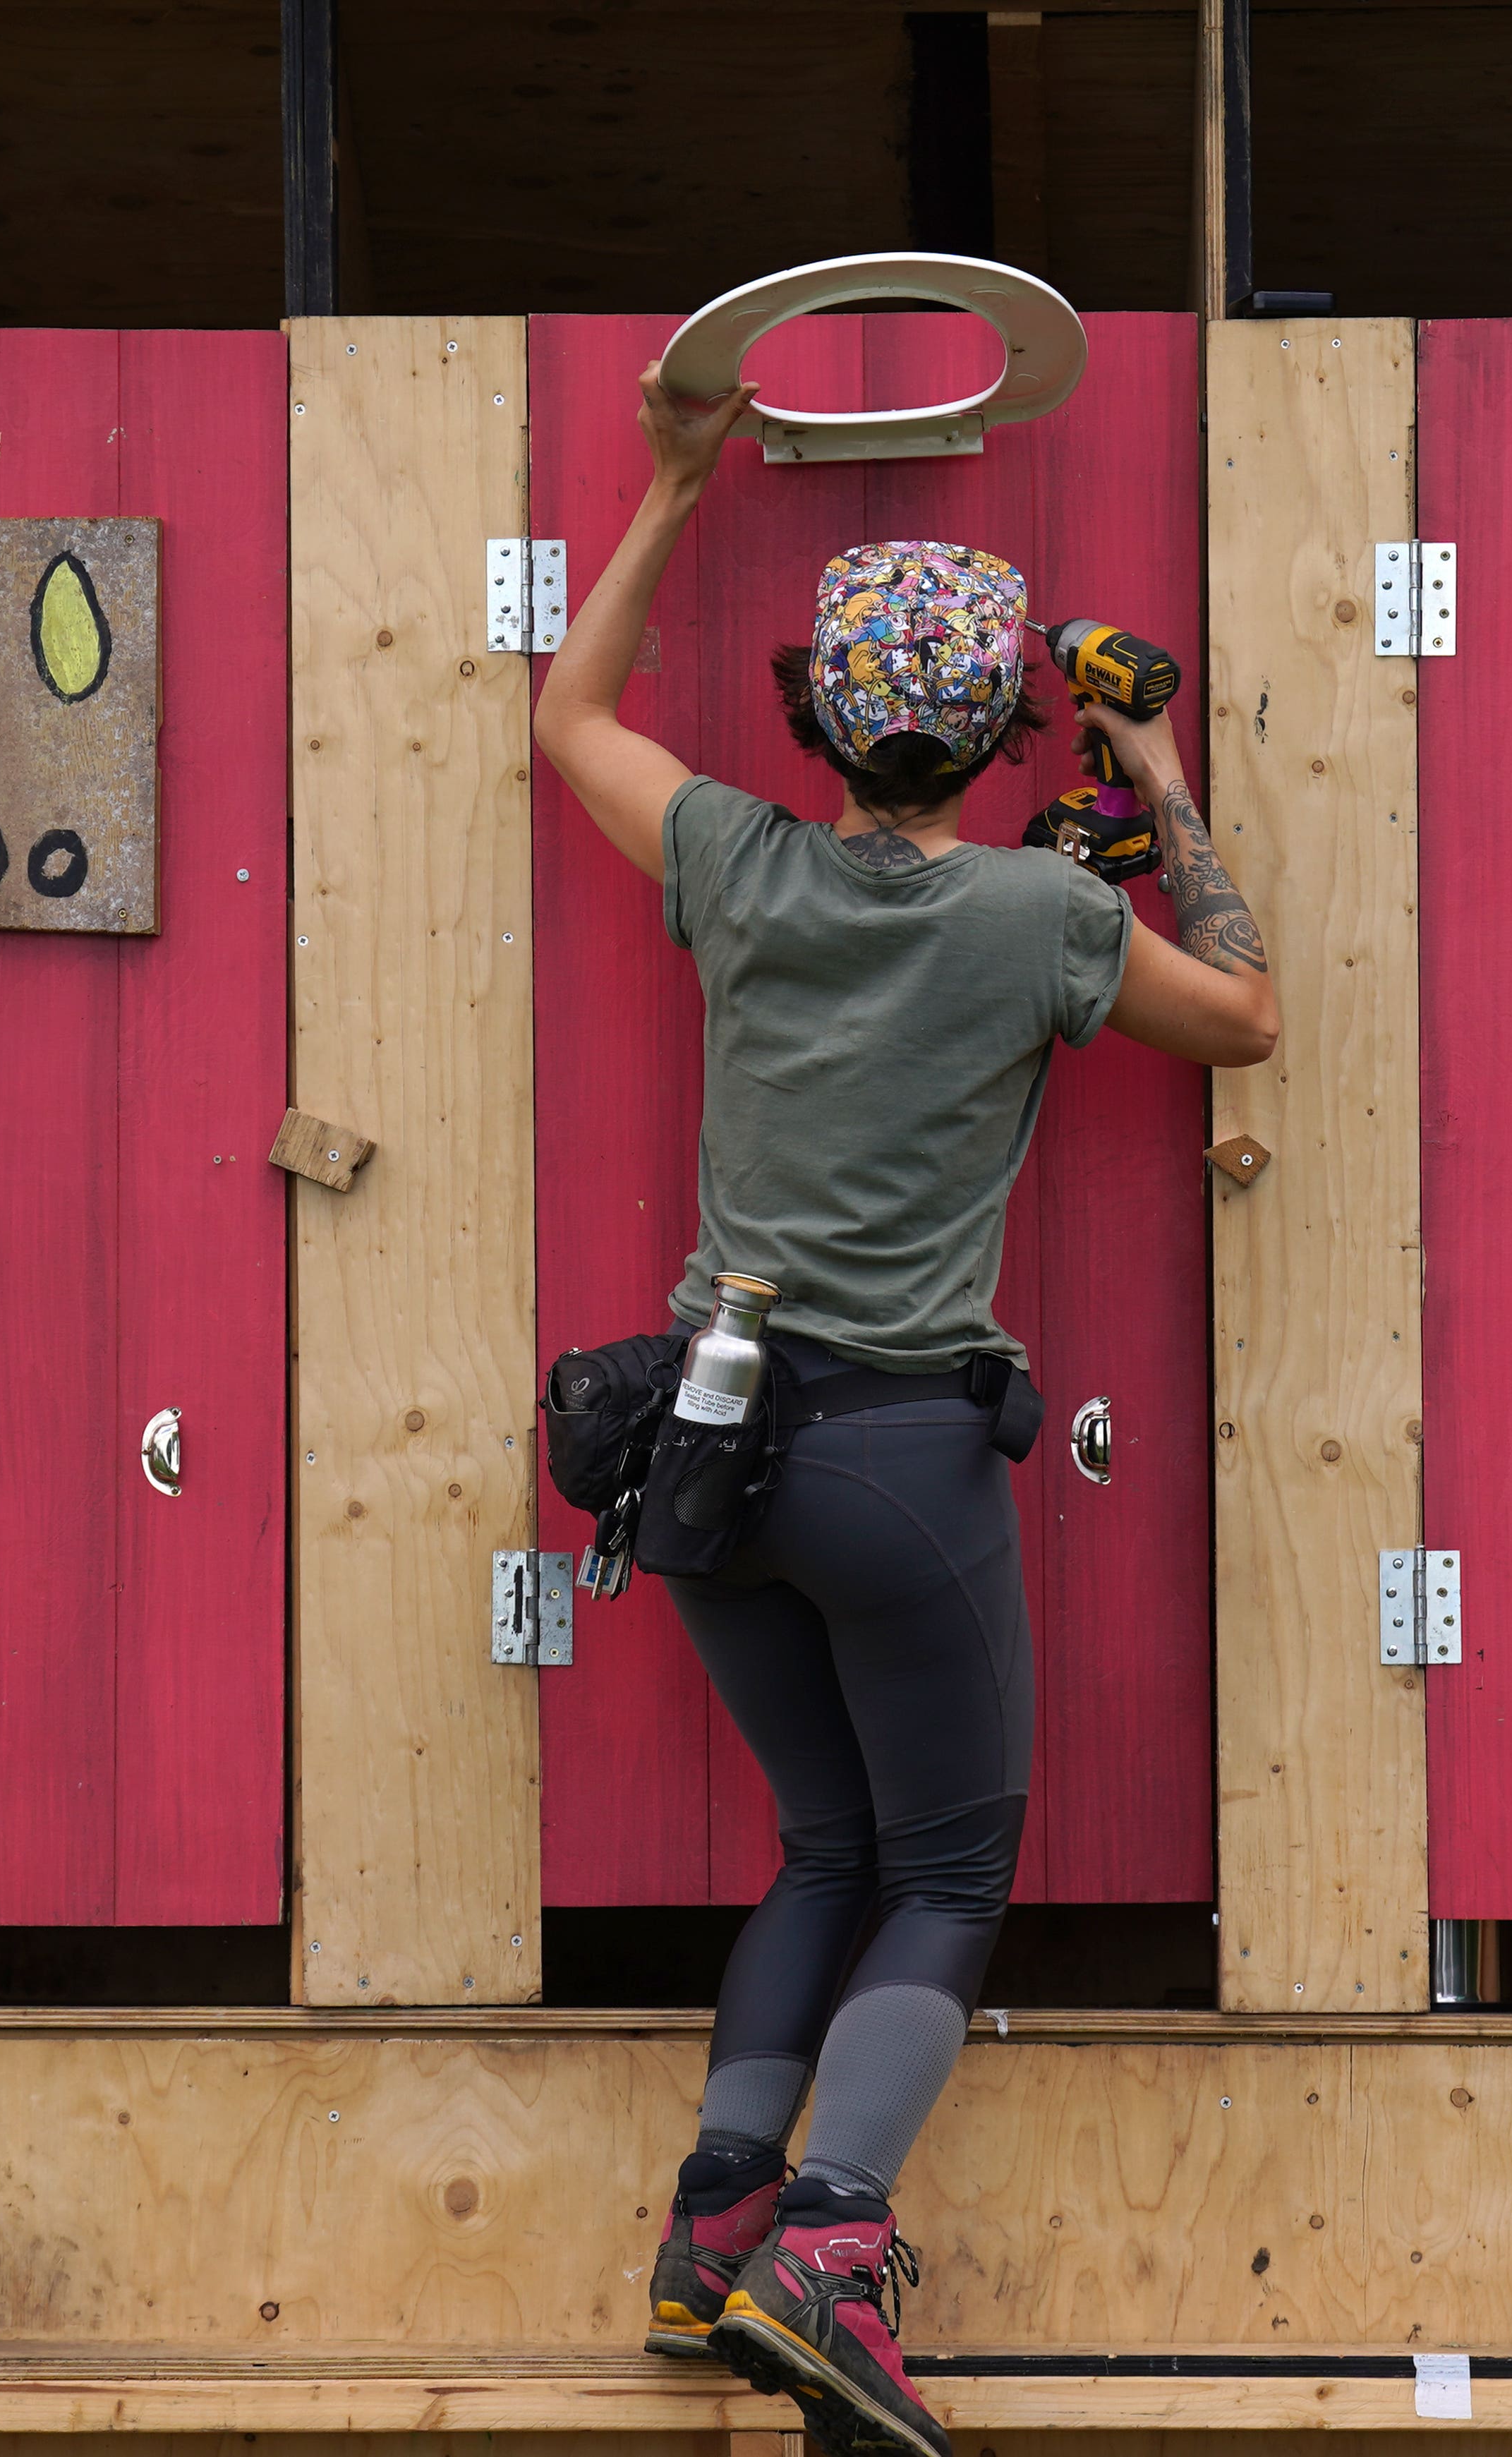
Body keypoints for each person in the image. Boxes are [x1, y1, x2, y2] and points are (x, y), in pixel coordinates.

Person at [533, 366, 1278, 2457]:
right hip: (895, 1450)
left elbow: (571, 720)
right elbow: (1247, 1013)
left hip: (700, 1442)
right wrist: (1160, 772)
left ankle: (711, 2233)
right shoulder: (1047, 915)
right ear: (995, 734)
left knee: (824, 1841)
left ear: (823, 717)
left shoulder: (738, 866)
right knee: (947, 1864)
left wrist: (677, 483)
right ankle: (834, 2253)